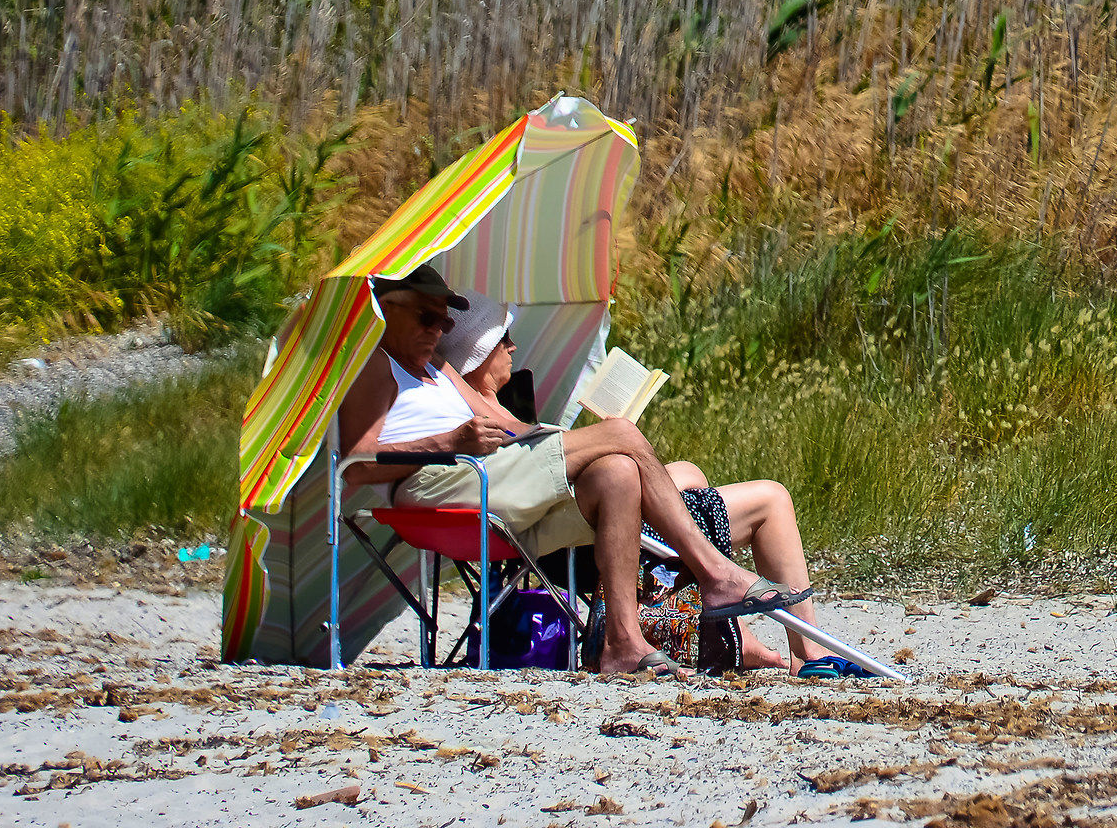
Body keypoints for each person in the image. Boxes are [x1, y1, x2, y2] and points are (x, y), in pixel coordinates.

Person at [337, 266, 810, 677]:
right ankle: (715, 574)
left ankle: (621, 643)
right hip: (441, 483)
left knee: (617, 472)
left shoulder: (438, 368)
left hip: (489, 477)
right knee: (622, 435)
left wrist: (566, 436)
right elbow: (355, 465)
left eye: (444, 321)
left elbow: (514, 429)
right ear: (387, 308)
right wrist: (449, 443)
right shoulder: (377, 367)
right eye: (427, 316)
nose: (437, 330)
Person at [438, 298, 839, 675]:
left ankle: (738, 635)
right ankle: (808, 652)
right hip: (580, 528)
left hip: (583, 513)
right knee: (772, 498)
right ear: (478, 352)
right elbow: (529, 452)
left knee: (688, 472)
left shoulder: (494, 404)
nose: (512, 347)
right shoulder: (475, 407)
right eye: (502, 340)